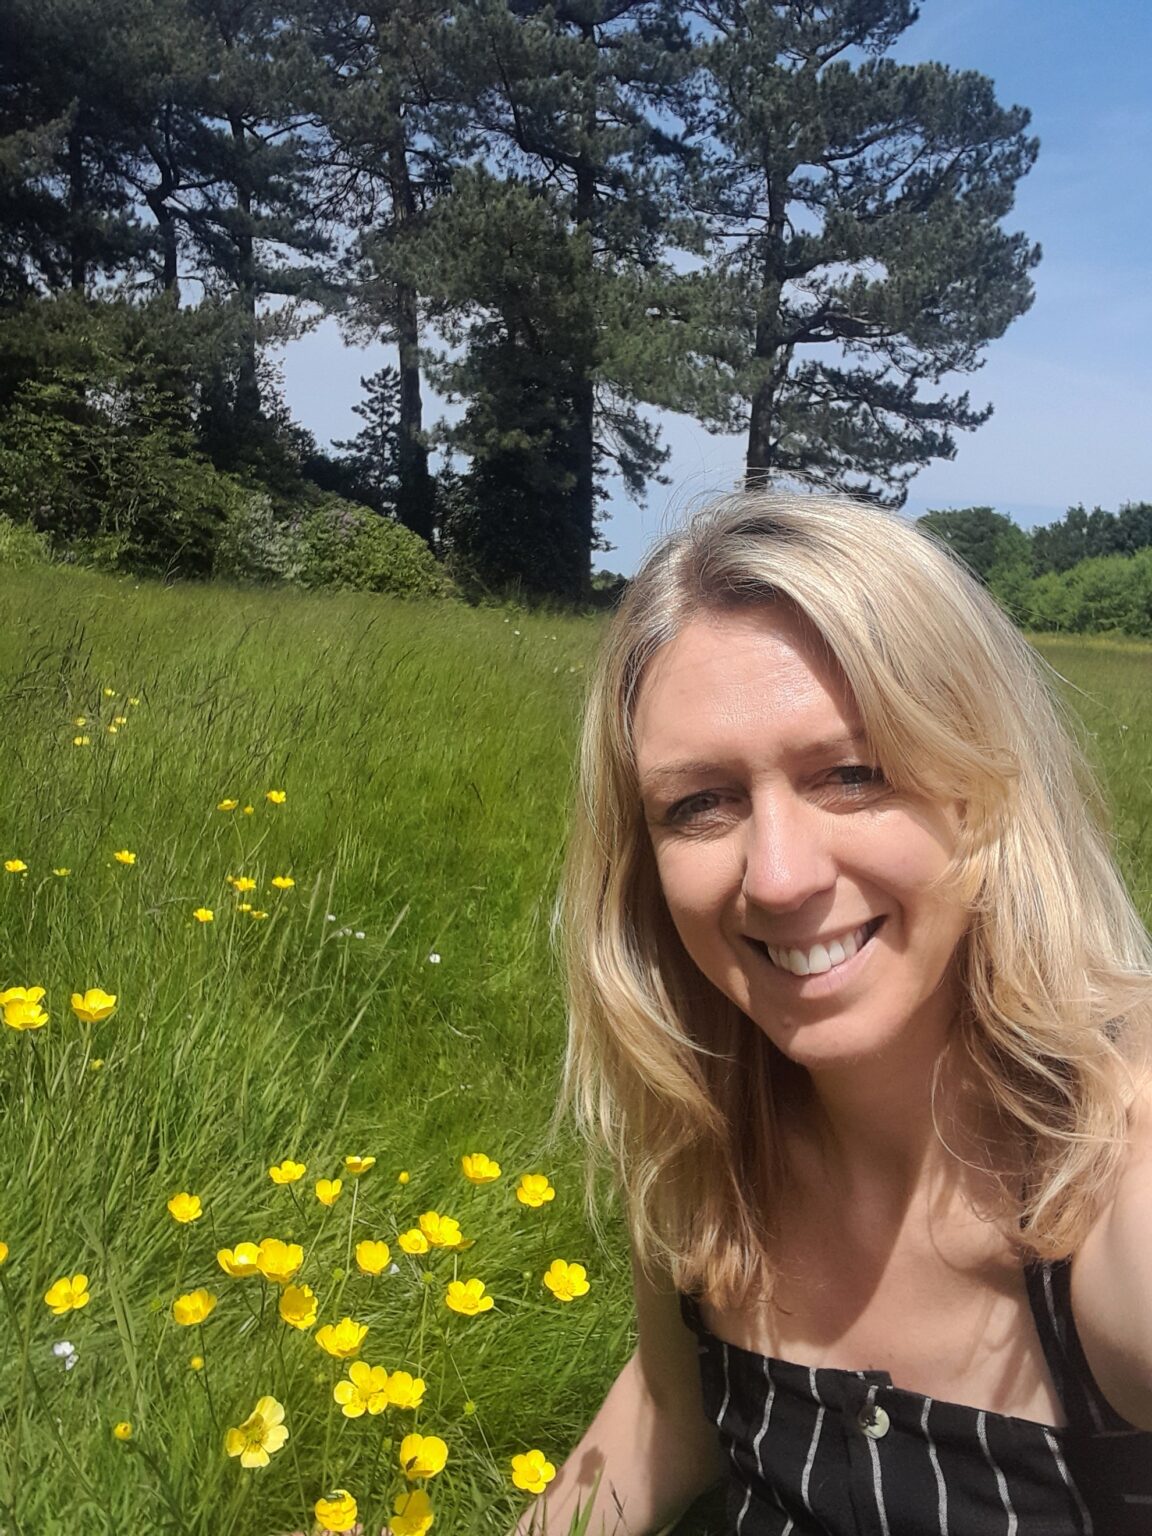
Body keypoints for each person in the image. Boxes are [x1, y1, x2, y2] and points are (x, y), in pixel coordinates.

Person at [514, 494, 1152, 1535]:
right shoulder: (705, 1145)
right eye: (701, 803)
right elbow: (670, 1414)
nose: (777, 876)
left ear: (984, 792)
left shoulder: (1118, 1173)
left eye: (853, 775)